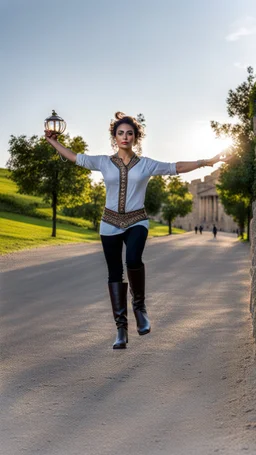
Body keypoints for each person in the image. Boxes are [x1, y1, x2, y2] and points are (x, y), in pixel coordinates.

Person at [45, 111, 232, 350]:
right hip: (109, 223)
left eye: (129, 133)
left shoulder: (146, 165)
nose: (125, 137)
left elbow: (175, 167)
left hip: (137, 221)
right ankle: (121, 329)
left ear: (136, 137)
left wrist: (207, 161)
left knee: (133, 258)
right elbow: (75, 157)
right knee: (114, 273)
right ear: (114, 137)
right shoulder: (103, 162)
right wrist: (53, 141)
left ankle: (140, 308)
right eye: (120, 133)